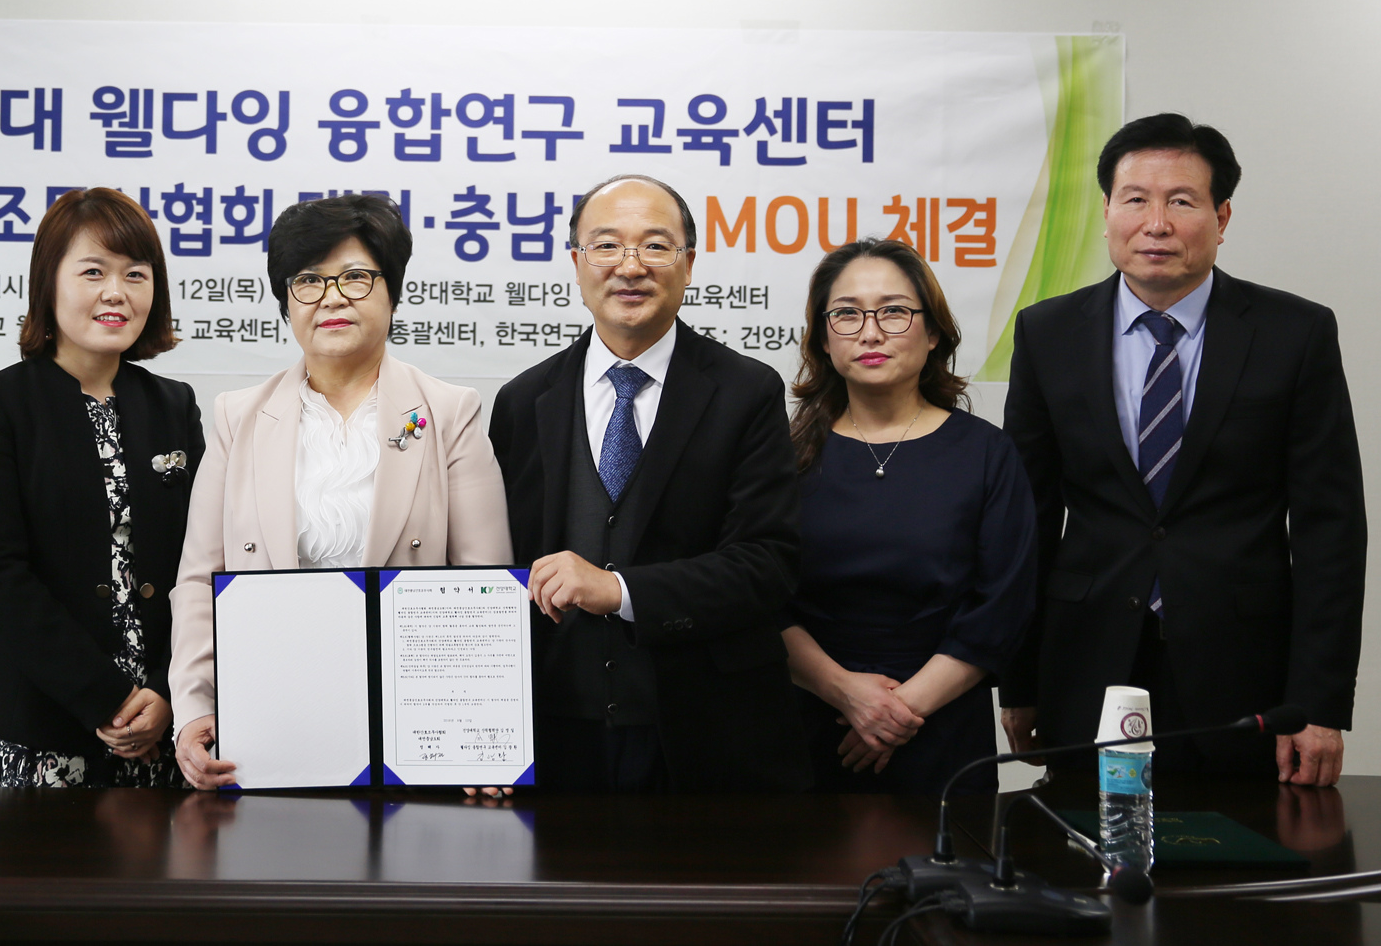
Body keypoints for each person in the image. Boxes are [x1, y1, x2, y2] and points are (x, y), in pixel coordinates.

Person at [1002, 113, 1364, 785]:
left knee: (1243, 847)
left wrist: (1318, 703)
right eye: (1136, 199)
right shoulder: (1048, 332)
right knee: (1084, 845)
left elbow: (1330, 530)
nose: (1156, 223)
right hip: (1086, 664)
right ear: (1106, 211)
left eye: (1181, 201)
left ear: (1221, 217)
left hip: (1244, 676)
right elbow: (1029, 522)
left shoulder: (1295, 333)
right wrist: (1019, 681)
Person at [170, 194, 511, 789]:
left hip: (413, 728)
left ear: (391, 292)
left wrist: (478, 733)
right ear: (285, 301)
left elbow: (484, 586)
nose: (331, 298)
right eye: (308, 280)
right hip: (273, 722)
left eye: (355, 277)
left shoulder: (446, 413)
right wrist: (195, 708)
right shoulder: (238, 417)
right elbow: (201, 579)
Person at [490, 174, 809, 794]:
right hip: (554, 737)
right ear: (577, 264)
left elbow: (767, 564)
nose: (630, 266)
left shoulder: (747, 392)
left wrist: (619, 590)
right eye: (606, 245)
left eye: (656, 246)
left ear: (688, 264)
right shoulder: (524, 401)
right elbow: (497, 567)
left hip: (706, 734)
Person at [0, 188, 203, 788]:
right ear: (49, 282)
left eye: (135, 274)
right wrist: (106, 697)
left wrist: (168, 691)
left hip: (164, 722)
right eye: (93, 272)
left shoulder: (174, 405)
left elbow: (201, 562)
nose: (116, 292)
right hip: (44, 720)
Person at [780, 239, 1035, 795]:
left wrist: (898, 711)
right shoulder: (781, 455)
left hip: (943, 730)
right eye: (847, 314)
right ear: (823, 338)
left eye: (894, 311)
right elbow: (756, 596)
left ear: (934, 331)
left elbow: (1002, 605)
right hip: (810, 722)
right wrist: (844, 692)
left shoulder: (987, 453)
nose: (870, 333)